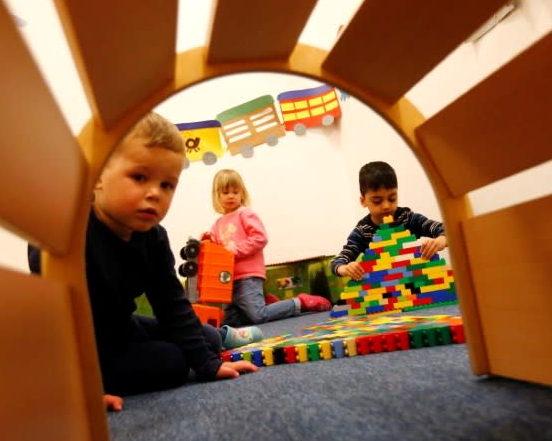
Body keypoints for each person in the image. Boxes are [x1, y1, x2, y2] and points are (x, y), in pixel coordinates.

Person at [28, 112, 258, 405]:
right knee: (173, 363)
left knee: (209, 341)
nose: (154, 194)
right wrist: (81, 389)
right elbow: (57, 320)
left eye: (167, 185)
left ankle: (218, 338)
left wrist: (208, 365)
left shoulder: (154, 237)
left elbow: (170, 303)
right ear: (97, 177)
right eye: (139, 177)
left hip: (120, 326)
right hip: (78, 348)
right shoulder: (65, 229)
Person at [203, 169, 331, 327]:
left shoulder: (245, 214)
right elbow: (217, 250)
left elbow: (260, 238)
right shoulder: (217, 224)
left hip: (247, 275)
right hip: (229, 280)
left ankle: (299, 302)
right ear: (217, 196)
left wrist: (234, 251)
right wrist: (208, 240)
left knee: (258, 316)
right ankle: (268, 304)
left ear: (242, 193)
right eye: (225, 192)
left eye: (235, 192)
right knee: (230, 323)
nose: (231, 196)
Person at [331, 161, 447, 281]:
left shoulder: (407, 219)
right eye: (377, 201)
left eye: (392, 199)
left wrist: (441, 240)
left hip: (415, 283)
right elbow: (337, 262)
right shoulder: (362, 232)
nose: (386, 206)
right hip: (384, 289)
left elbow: (447, 230)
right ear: (363, 201)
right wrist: (345, 268)